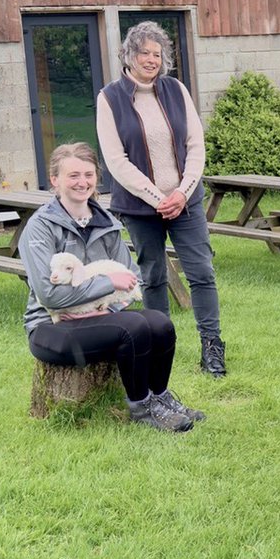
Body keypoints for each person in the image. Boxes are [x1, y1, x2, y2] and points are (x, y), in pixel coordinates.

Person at [19, 142, 204, 433]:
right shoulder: (40, 228)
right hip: (50, 327)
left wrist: (103, 307)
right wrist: (106, 284)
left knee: (159, 323)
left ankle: (160, 398)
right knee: (132, 326)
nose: (83, 182)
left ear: (97, 178)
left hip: (98, 316)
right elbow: (49, 295)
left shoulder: (106, 222)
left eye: (89, 175)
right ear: (54, 180)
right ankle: (141, 408)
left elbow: (131, 279)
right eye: (73, 176)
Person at [96, 21, 226, 377]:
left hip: (186, 202)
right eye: (144, 53)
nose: (151, 60)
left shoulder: (176, 90)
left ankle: (212, 348)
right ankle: (157, 345)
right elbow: (116, 160)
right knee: (152, 276)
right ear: (129, 55)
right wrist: (158, 198)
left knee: (201, 273)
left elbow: (195, 145)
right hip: (141, 207)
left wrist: (181, 193)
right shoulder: (109, 98)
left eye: (157, 54)